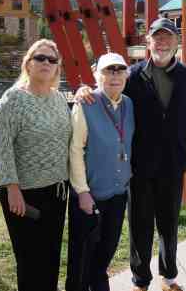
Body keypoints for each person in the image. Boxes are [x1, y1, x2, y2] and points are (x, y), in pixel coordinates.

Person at [76, 17, 186, 291]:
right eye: (156, 37)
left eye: (168, 37)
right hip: (138, 168)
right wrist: (84, 90)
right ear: (147, 42)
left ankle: (169, 277)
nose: (162, 42)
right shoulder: (133, 76)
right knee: (139, 226)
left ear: (177, 43)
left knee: (169, 223)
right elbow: (108, 93)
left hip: (173, 165)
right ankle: (140, 280)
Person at [0, 39, 71, 291]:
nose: (46, 63)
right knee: (29, 262)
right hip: (24, 195)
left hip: (57, 192)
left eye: (51, 60)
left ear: (57, 68)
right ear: (28, 63)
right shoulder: (13, 99)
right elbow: (0, 146)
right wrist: (11, 188)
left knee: (50, 259)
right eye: (40, 58)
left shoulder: (59, 99)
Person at [66, 52, 135, 291]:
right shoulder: (86, 103)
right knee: (82, 257)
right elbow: (75, 150)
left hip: (117, 193)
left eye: (119, 70)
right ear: (98, 75)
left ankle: (98, 285)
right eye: (108, 70)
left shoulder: (129, 103)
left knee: (106, 250)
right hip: (90, 196)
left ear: (126, 75)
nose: (114, 75)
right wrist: (82, 192)